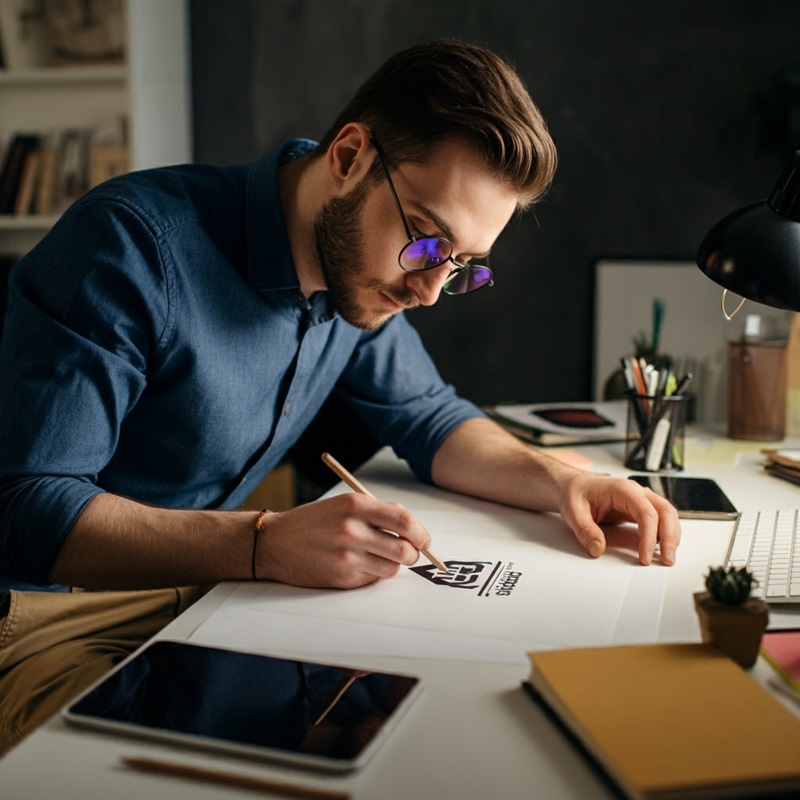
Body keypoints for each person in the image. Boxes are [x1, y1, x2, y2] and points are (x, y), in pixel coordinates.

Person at [0, 38, 681, 754]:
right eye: (425, 240)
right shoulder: (133, 246)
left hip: (212, 591)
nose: (429, 291)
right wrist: (262, 544)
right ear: (350, 157)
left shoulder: (363, 280)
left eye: (463, 268)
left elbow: (428, 416)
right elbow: (24, 506)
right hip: (53, 617)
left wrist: (566, 482)